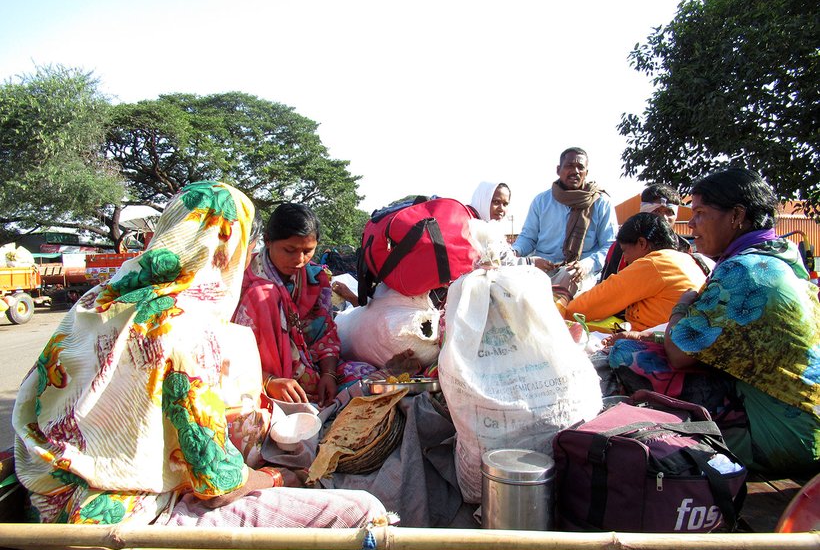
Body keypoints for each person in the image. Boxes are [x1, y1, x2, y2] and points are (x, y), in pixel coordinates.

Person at [12, 181, 386, 528]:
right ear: (231, 249)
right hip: (120, 514)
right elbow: (218, 486)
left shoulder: (96, 299)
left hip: (48, 492)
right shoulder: (186, 328)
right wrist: (280, 477)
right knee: (360, 510)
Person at [605, 168, 820, 474]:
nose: (691, 223)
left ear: (736, 216)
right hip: (810, 429)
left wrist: (682, 306)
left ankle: (690, 446)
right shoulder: (782, 258)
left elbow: (679, 354)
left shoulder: (744, 271)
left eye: (700, 213)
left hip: (779, 440)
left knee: (626, 355)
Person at [233, 203, 375, 408]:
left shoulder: (315, 278)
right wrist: (268, 380)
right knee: (263, 295)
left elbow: (325, 333)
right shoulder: (243, 280)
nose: (299, 260)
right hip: (257, 375)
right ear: (267, 241)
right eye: (289, 250)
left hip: (310, 370)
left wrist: (329, 373)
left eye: (308, 251)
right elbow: (230, 349)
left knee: (367, 379)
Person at [562, 212, 708, 332]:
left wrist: (560, 307)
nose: (625, 258)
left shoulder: (653, 263)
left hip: (667, 341)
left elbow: (593, 303)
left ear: (642, 243)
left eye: (625, 251)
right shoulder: (684, 259)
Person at [511, 147, 618, 292]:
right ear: (558, 169)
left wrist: (587, 265)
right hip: (541, 270)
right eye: (569, 166)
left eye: (580, 167)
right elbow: (528, 238)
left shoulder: (601, 202)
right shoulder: (541, 201)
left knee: (568, 277)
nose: (575, 171)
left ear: (587, 172)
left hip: (579, 273)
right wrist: (515, 252)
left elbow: (610, 246)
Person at [599, 183, 692, 282]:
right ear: (644, 212)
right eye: (656, 211)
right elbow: (606, 285)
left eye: (669, 212)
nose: (664, 218)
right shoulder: (623, 246)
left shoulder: (684, 247)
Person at [468, 180, 552, 270]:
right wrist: (531, 262)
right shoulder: (477, 229)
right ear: (484, 200)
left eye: (505, 204)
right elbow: (500, 265)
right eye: (496, 202)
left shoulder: (493, 230)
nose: (501, 208)